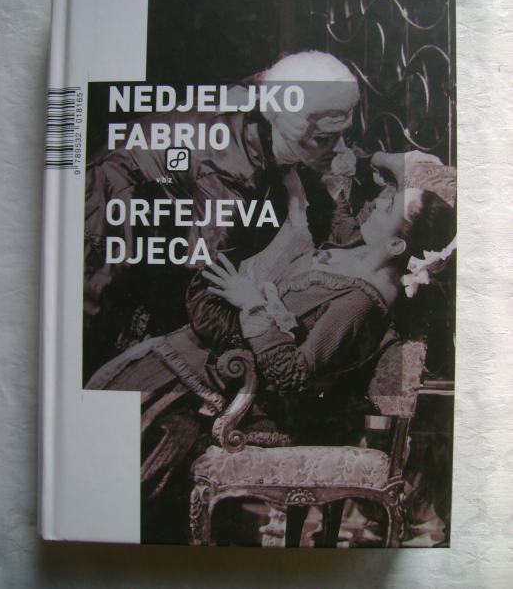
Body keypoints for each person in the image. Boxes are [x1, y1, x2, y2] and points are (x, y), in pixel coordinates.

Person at [87, 184, 455, 543]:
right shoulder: (361, 255)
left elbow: (293, 375)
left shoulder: (360, 304)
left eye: (390, 207)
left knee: (124, 435)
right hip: (226, 360)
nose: (378, 202)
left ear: (396, 245)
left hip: (253, 400)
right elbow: (338, 206)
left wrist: (252, 303)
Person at [83, 51, 360, 380]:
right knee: (91, 315)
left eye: (343, 133)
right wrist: (269, 339)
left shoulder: (277, 94)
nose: (341, 148)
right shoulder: (232, 179)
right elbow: (205, 295)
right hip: (113, 189)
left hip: (169, 178)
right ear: (289, 130)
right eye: (326, 139)